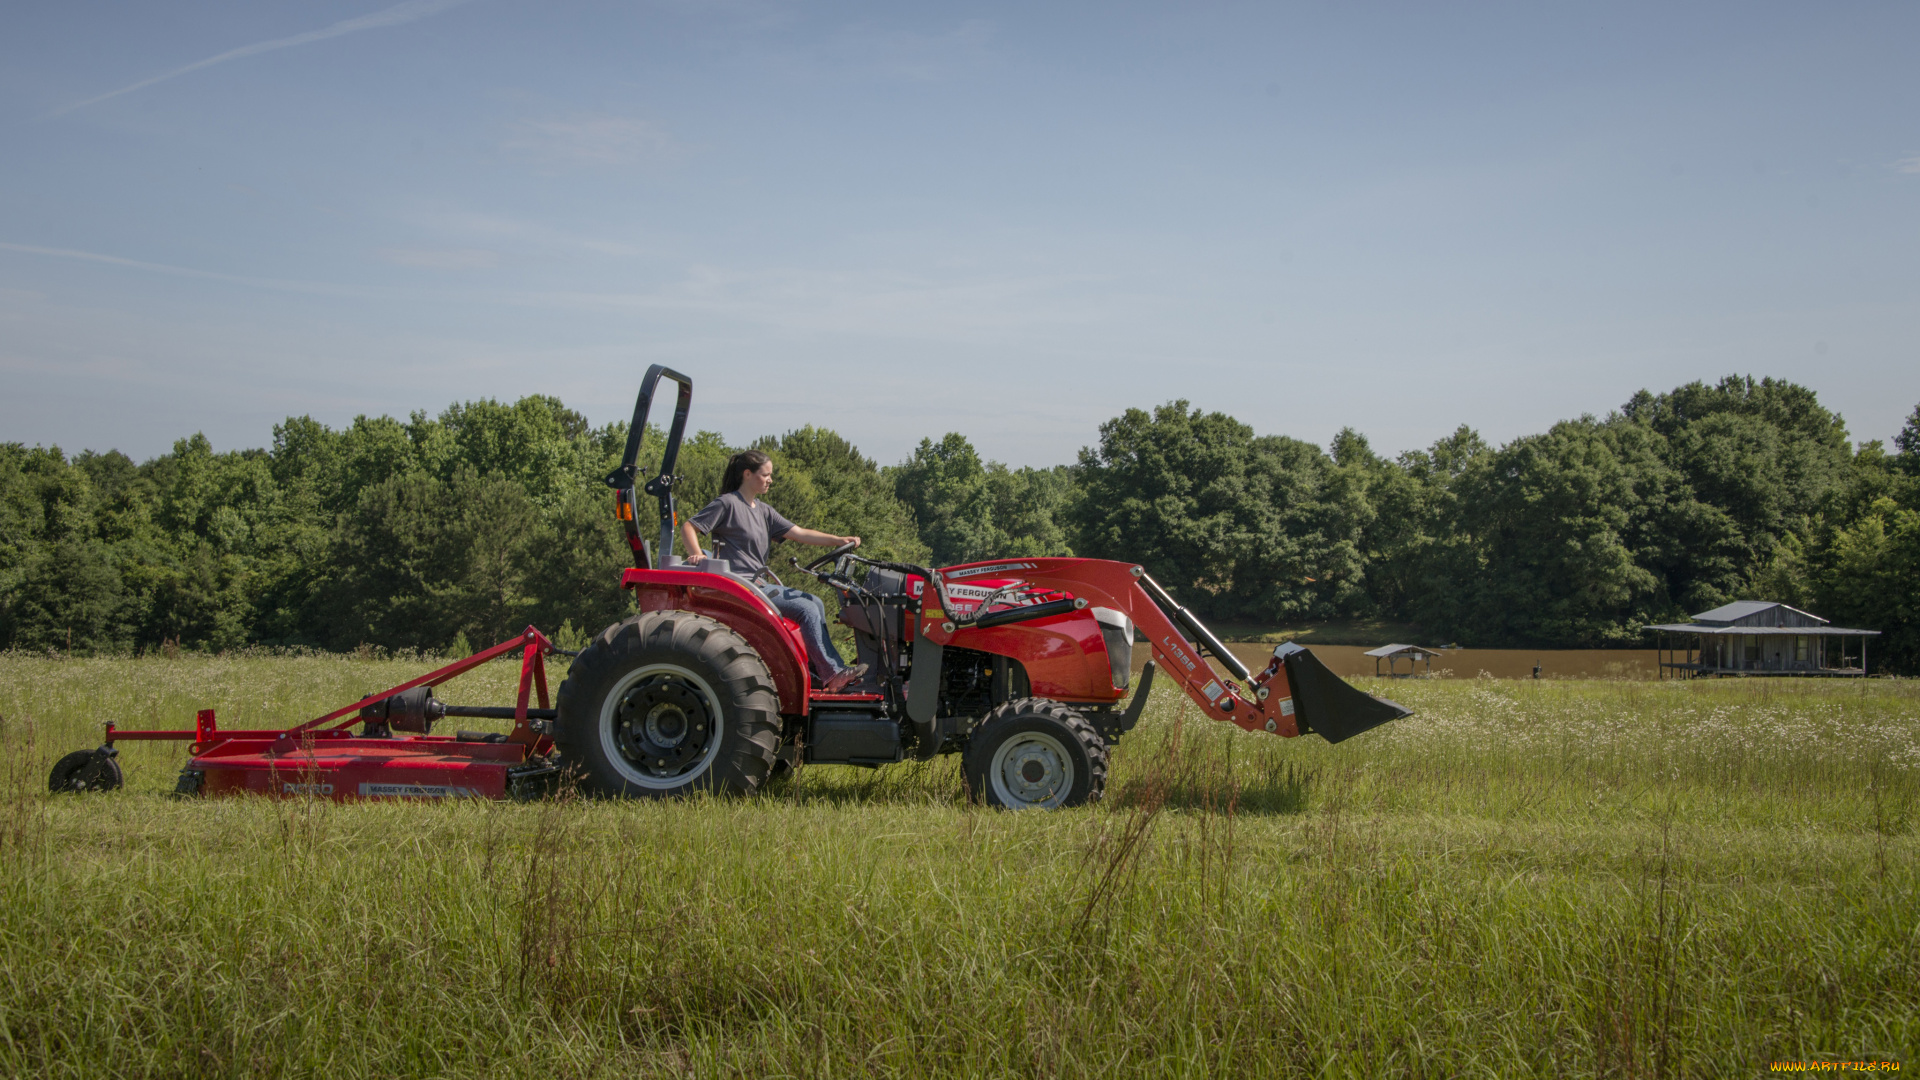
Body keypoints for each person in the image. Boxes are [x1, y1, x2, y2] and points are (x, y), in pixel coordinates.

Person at [680, 450, 870, 692]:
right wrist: (696, 553)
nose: (770, 480)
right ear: (747, 474)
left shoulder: (763, 510)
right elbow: (690, 526)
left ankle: (819, 672)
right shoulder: (727, 503)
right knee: (807, 607)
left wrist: (837, 540)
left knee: (815, 602)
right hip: (741, 585)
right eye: (765, 475)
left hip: (758, 585)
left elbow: (799, 533)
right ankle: (833, 675)